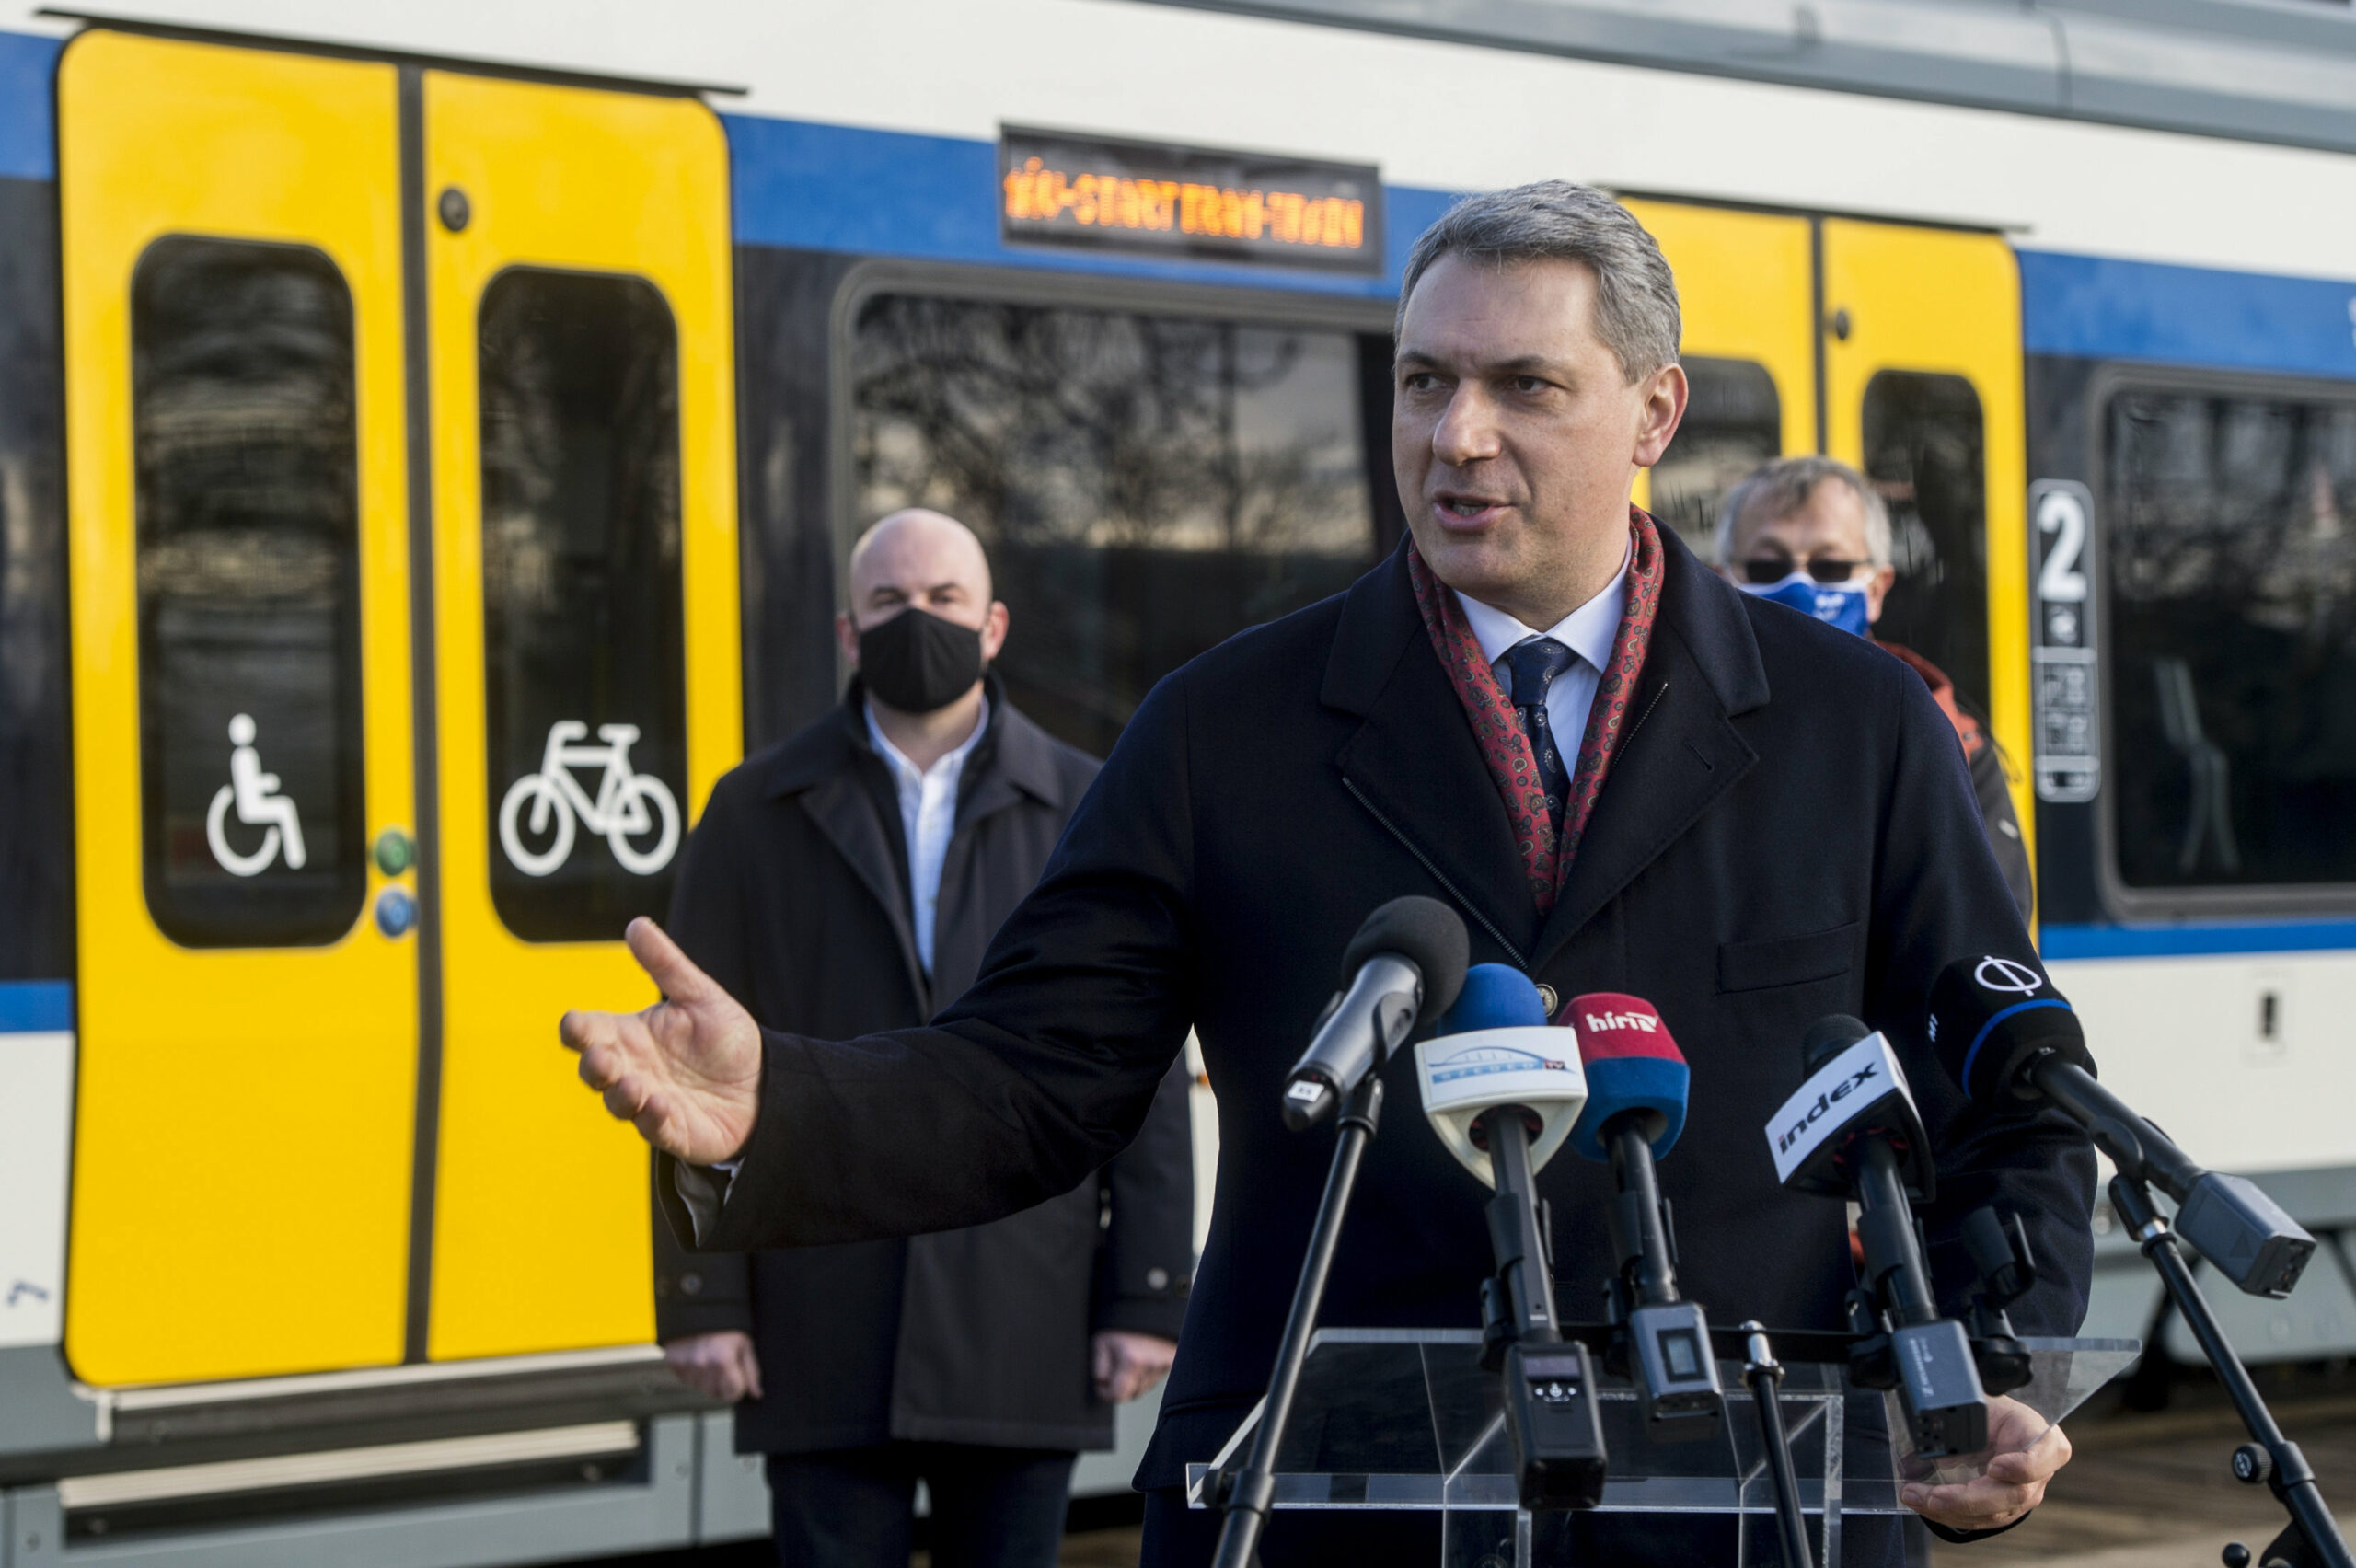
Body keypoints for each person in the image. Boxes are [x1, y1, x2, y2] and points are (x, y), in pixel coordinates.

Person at [568, 183, 2095, 1566]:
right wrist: (782, 1099)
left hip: (1751, 1515)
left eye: (1524, 386)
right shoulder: (1226, 726)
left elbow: (2003, 1091)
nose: (1458, 434)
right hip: (1315, 1509)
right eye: (1425, 381)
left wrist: (1986, 1368)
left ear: (1654, 412)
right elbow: (1033, 1073)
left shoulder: (1858, 724)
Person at [652, 508, 1195, 1568]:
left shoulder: (1093, 803)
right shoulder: (754, 810)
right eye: (890, 602)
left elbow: (1140, 1067)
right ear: (849, 632)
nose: (919, 620)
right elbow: (689, 1066)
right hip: (817, 1310)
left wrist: (1146, 1294)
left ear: (992, 626)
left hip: (1023, 1306)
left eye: (943, 600)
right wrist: (699, 1295)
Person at [1715, 455, 2034, 918]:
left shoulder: (1955, 744)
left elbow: (1987, 940)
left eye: (1830, 567)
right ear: (1720, 580)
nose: (1801, 585)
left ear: (1878, 588)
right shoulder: (1671, 725)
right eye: (1767, 568)